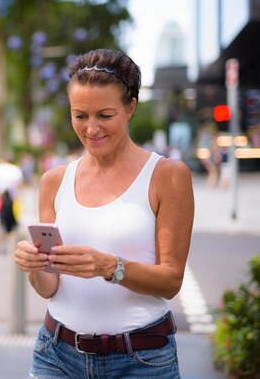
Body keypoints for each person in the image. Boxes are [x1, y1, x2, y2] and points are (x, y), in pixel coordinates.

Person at [14, 48, 194, 378]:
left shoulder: (167, 175)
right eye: (80, 115)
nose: (91, 129)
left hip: (141, 360)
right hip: (56, 354)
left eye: (105, 115)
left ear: (130, 109)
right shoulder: (54, 181)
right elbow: (49, 288)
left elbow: (170, 281)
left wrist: (109, 266)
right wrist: (34, 266)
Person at [0, 155, 23, 252]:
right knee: (12, 222)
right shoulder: (16, 170)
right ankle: (9, 240)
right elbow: (20, 185)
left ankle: (0, 238)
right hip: (13, 200)